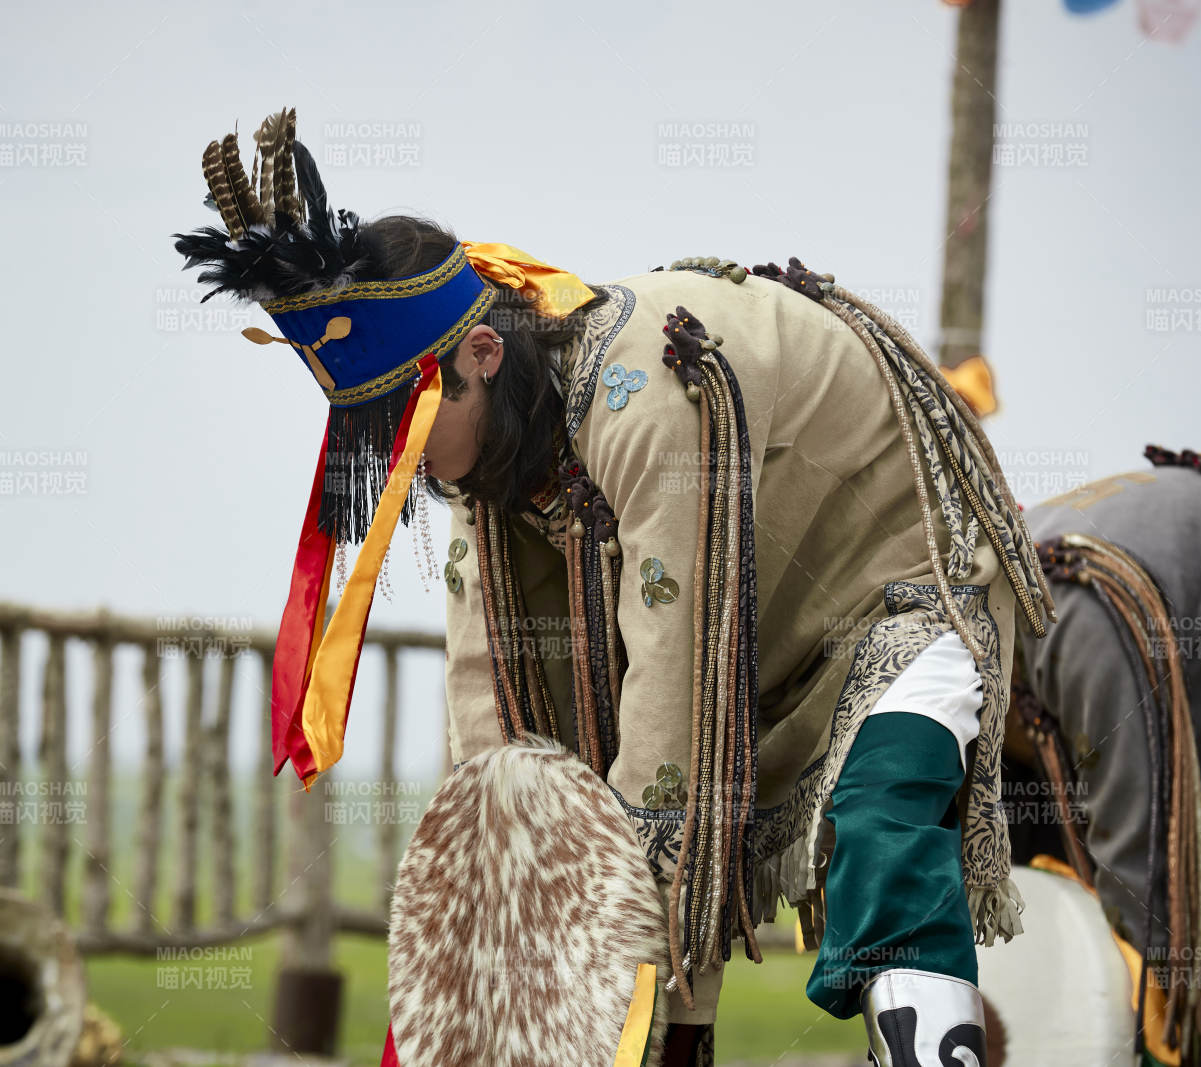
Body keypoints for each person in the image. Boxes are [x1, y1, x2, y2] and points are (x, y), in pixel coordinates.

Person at [173, 108, 1055, 1067]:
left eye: (408, 418)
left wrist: (617, 956)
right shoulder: (483, 459)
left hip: (893, 578)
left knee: (881, 824)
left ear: (481, 356)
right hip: (746, 633)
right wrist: (498, 890)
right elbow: (493, 722)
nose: (402, 461)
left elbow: (673, 729)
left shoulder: (652, 399)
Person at [1003, 446, 1201, 1066]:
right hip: (1195, 600)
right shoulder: (989, 607)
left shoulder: (1069, 610)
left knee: (1147, 924)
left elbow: (1145, 830)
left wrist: (1150, 996)